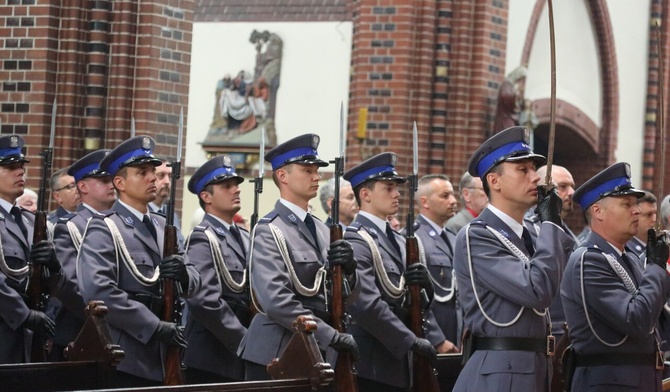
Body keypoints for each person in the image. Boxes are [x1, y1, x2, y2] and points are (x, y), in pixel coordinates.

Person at [452, 126, 574, 391]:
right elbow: (537, 290)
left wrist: (551, 225)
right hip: (501, 371)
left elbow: (567, 267)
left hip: (535, 367)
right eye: (523, 170)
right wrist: (551, 223)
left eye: (534, 169)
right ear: (494, 181)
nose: (536, 179)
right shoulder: (477, 236)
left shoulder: (531, 232)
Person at [77, 136, 200, 387]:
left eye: (153, 171)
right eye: (142, 172)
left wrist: (184, 275)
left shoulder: (163, 227)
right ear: (120, 182)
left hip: (167, 350)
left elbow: (196, 279)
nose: (153, 177)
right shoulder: (105, 228)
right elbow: (98, 290)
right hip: (128, 354)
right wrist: (154, 326)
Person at [238, 133, 359, 381]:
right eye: (307, 170)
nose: (316, 176)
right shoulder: (269, 229)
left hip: (315, 349)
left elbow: (344, 295)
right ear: (282, 175)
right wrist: (330, 335)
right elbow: (276, 301)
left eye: (316, 170)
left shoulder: (324, 230)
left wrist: (350, 270)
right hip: (278, 352)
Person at [343, 152, 450, 391]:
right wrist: (411, 341)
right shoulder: (356, 239)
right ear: (365, 194)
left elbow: (412, 301)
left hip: (401, 360)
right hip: (373, 362)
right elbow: (366, 303)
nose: (397, 193)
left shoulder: (400, 241)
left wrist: (427, 290)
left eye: (396, 188)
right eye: (388, 187)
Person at [561, 162, 670, 391]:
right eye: (626, 204)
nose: (637, 211)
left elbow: (657, 316)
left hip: (640, 379)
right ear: (598, 211)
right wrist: (656, 266)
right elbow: (637, 319)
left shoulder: (628, 257)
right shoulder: (589, 260)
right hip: (609, 381)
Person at [183, 155, 249, 383]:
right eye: (226, 186)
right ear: (206, 197)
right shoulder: (203, 238)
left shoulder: (245, 237)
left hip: (241, 354)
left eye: (236, 185)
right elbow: (204, 299)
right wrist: (243, 339)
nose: (236, 190)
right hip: (212, 356)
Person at [49, 149, 116, 361]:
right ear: (83, 187)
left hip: (124, 331)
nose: (111, 184)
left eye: (112, 179)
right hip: (81, 334)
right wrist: (111, 317)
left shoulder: (120, 224)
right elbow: (71, 285)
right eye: (104, 180)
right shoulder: (69, 227)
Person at [0, 135, 57, 363]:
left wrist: (54, 266)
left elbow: (51, 285)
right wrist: (24, 315)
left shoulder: (31, 222)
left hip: (30, 337)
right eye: (10, 167)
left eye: (21, 167)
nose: (20, 173)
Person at [409, 174, 461, 347]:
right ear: (425, 202)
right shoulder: (414, 239)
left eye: (453, 195)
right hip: (433, 338)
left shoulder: (453, 238)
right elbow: (415, 297)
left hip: (458, 334)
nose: (453, 201)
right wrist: (436, 339)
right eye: (445, 196)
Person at [626, 190, 657, 258]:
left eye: (656, 214)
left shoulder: (656, 247)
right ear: (635, 214)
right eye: (648, 215)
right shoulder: (628, 250)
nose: (654, 220)